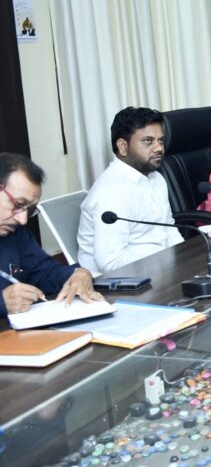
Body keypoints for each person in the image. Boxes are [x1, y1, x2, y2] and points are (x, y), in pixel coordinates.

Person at [77, 107, 184, 274]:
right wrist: (164, 263)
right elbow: (111, 262)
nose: (159, 148)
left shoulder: (156, 179)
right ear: (123, 146)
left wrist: (184, 260)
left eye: (161, 141)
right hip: (122, 280)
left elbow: (169, 229)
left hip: (159, 269)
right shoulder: (112, 191)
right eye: (148, 141)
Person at [0, 153, 102, 317]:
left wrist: (77, 274)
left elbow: (44, 272)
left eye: (29, 210)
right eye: (18, 204)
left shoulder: (15, 232)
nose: (23, 220)